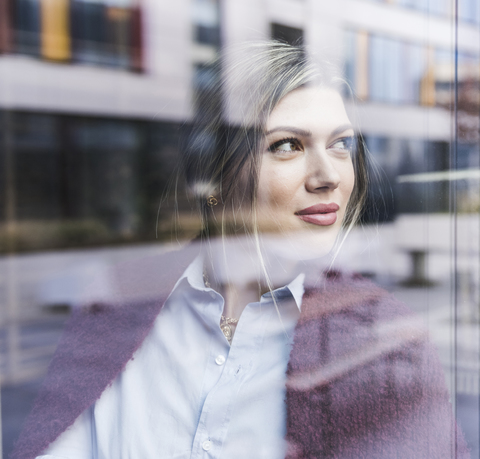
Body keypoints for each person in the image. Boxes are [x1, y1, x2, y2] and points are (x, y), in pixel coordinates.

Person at [12, 42, 468, 459]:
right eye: (287, 146)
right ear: (213, 177)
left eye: (340, 145)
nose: (328, 175)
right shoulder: (118, 301)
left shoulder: (386, 343)